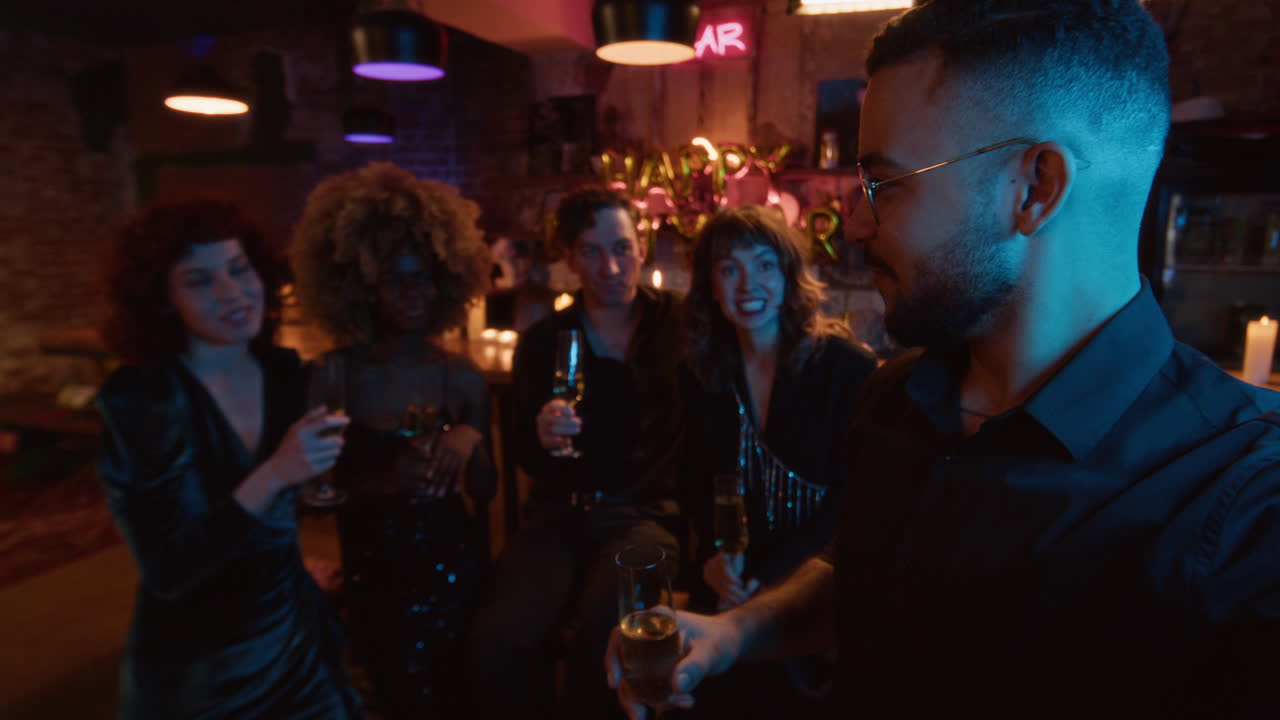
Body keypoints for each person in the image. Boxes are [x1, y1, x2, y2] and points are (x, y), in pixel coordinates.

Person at [607, 1, 1280, 718]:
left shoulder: (1244, 508)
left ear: (1033, 189)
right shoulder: (898, 398)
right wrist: (737, 631)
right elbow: (863, 574)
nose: (857, 225)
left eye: (884, 184)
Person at [96, 197, 360, 719]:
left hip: (291, 632)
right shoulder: (145, 400)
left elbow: (328, 478)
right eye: (199, 281)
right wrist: (275, 474)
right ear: (164, 299)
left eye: (239, 270)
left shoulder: (285, 374)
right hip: (202, 662)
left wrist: (452, 432)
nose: (233, 293)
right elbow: (169, 570)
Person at [466, 186, 685, 720]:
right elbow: (523, 452)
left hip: (643, 516)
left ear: (641, 246)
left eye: (621, 246)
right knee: (500, 639)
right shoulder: (545, 340)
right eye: (591, 251)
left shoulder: (679, 325)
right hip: (560, 514)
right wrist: (539, 438)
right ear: (569, 259)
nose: (610, 266)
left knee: (600, 639)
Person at [289, 161, 496, 718]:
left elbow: (487, 490)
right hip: (374, 560)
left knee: (454, 690)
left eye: (424, 276)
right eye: (396, 280)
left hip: (452, 557)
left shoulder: (463, 376)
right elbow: (310, 495)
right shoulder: (335, 374)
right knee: (392, 687)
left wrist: (471, 436)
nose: (415, 293)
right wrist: (386, 480)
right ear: (360, 286)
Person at [677, 206, 878, 718]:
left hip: (818, 581)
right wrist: (713, 561)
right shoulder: (704, 371)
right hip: (731, 581)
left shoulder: (845, 366)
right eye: (729, 269)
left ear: (789, 275)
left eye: (765, 265)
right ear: (710, 286)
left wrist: (775, 582)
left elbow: (855, 497)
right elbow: (695, 483)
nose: (749, 284)